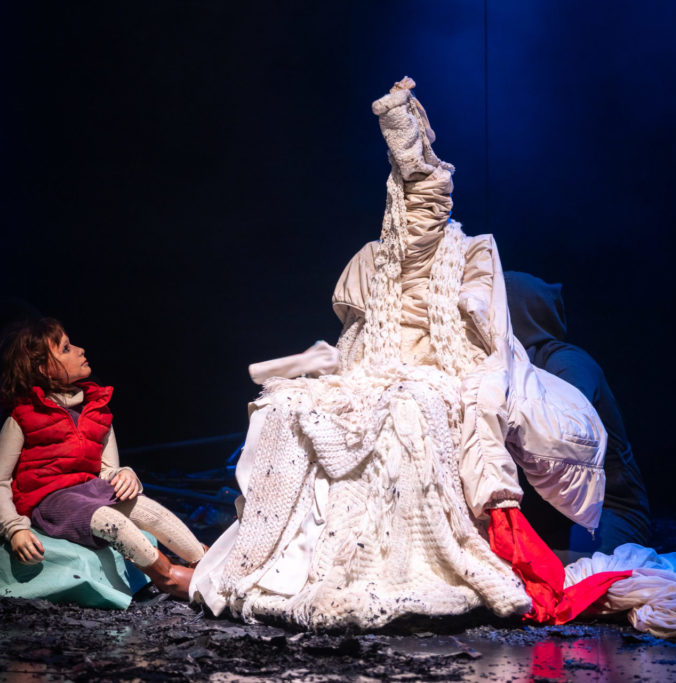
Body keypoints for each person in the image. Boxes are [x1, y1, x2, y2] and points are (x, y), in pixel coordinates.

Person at [191, 78, 612, 629]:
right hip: (377, 367)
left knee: (410, 408)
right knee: (285, 406)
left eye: (429, 202)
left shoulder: (473, 252)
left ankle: (406, 558)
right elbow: (357, 337)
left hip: (446, 368)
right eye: (410, 202)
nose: (419, 212)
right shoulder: (373, 259)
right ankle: (278, 560)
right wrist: (331, 371)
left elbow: (488, 345)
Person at [0, 317, 205, 599]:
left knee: (148, 509)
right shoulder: (23, 417)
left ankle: (204, 561)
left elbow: (107, 470)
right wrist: (15, 530)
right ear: (44, 369)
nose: (80, 350)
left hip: (88, 492)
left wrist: (125, 474)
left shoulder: (97, 410)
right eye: (66, 348)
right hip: (51, 502)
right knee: (114, 522)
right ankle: (167, 576)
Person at [505, 271, 651, 558]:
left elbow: (562, 431)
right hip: (545, 514)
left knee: (558, 577)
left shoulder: (566, 361)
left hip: (605, 514)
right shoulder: (504, 369)